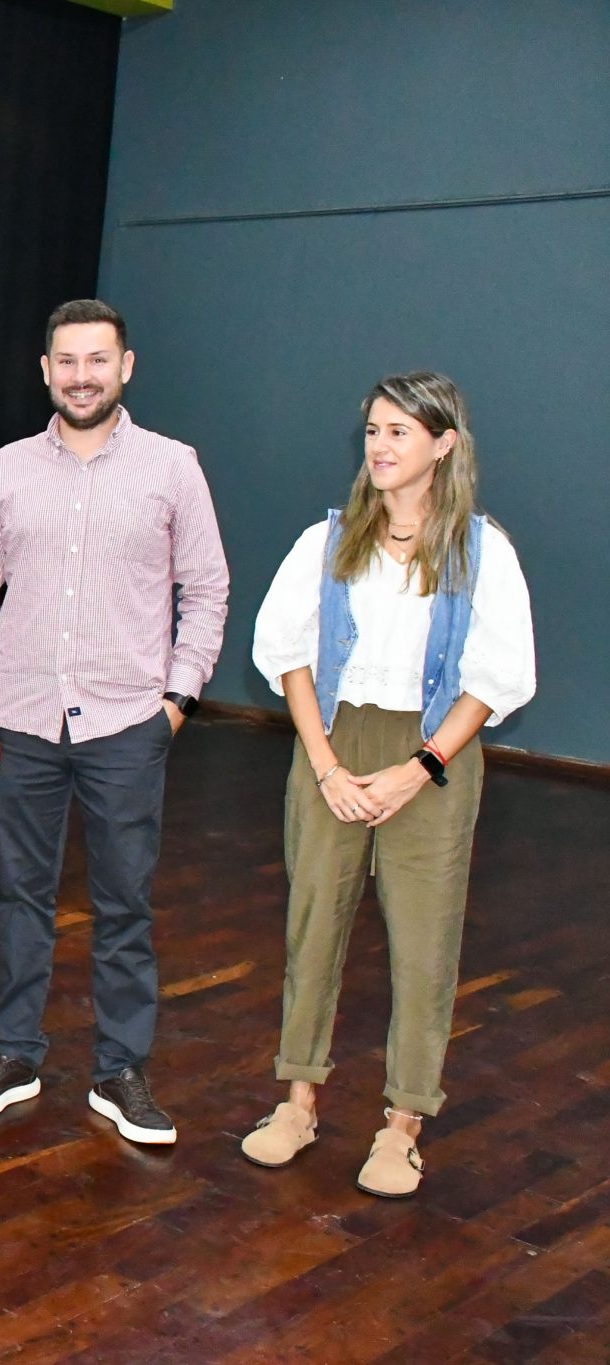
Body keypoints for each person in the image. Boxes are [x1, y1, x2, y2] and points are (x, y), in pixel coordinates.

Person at [0, 298, 229, 1145]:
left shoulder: (172, 467)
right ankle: (14, 1054)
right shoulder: (8, 469)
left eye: (97, 360)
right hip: (22, 721)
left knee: (125, 903)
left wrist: (178, 698)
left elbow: (207, 587)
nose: (81, 376)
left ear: (125, 367)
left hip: (127, 722)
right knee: (20, 896)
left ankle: (121, 1070)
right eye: (66, 361)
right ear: (45, 371)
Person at [242, 373, 534, 1197]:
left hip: (433, 748)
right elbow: (287, 653)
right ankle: (297, 1100)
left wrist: (420, 767)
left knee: (424, 939)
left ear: (444, 444)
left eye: (399, 431)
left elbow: (496, 677)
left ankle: (403, 1123)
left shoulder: (482, 549)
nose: (379, 445)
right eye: (373, 429)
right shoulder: (328, 540)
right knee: (313, 923)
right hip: (334, 739)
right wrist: (326, 765)